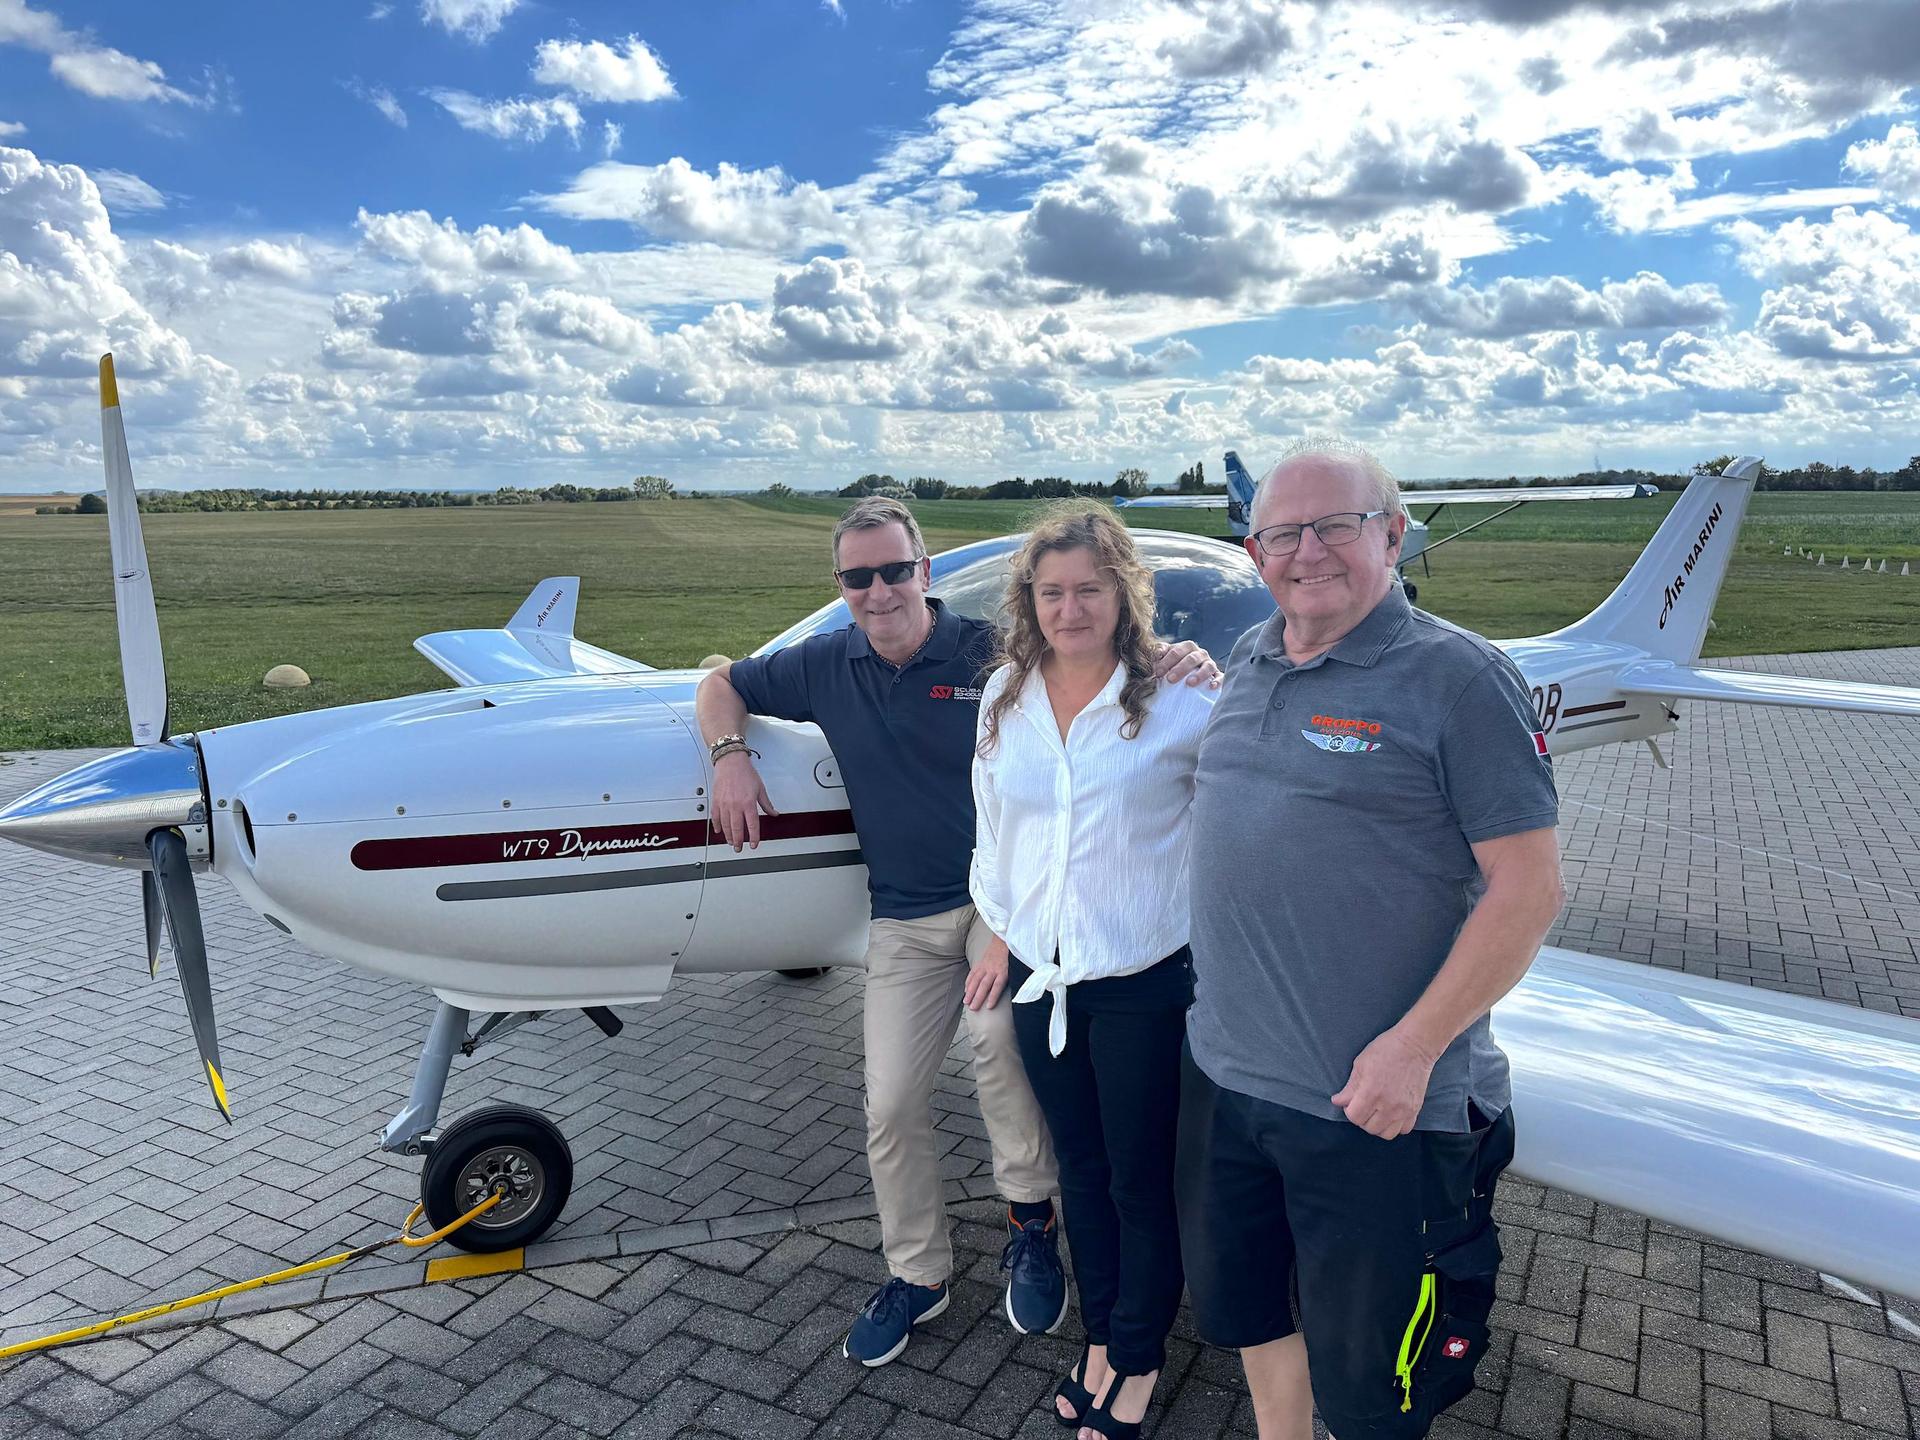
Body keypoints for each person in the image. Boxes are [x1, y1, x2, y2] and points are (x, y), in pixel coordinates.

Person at [697, 496, 1219, 1368]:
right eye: (858, 577)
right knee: (891, 1100)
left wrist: (1176, 657)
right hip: (902, 915)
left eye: (896, 570)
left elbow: (1088, 650)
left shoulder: (994, 652)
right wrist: (730, 758)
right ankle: (918, 1273)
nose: (879, 591)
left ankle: (1030, 1224)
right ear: (840, 584)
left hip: (1000, 909)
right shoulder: (825, 662)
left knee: (1000, 1044)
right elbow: (721, 682)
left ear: (925, 570)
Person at [1178, 441, 1565, 1440]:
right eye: (1281, 534)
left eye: (1335, 526)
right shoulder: (1248, 658)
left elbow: (1529, 889)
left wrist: (1414, 1048)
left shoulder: (1460, 678)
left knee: (1373, 1389)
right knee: (1253, 1315)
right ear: (1255, 553)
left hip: (1377, 1109)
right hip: (1228, 1082)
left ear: (1392, 535)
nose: (1307, 552)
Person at [969, 504, 1213, 1440]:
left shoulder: (1183, 699)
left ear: (1125, 593)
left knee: (1139, 1182)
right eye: (1051, 592)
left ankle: (1140, 1360)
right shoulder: (1005, 697)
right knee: (1082, 1171)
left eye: (1089, 590)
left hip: (1145, 984)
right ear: (1029, 600)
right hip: (1047, 986)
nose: (1070, 610)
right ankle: (1105, 1337)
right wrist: (1005, 932)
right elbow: (995, 832)